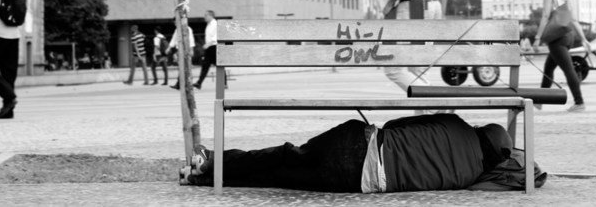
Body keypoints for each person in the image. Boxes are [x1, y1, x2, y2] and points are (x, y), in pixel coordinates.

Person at [181, 113, 546, 193]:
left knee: (283, 155)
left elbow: (399, 124)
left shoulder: (455, 124)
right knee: (277, 177)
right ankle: (203, 178)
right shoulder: (468, 178)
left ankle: (211, 161)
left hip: (357, 142)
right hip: (354, 181)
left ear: (480, 130)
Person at [533, 0, 591, 112]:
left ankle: (579, 102)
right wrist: (583, 39)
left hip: (557, 38)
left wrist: (537, 38)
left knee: (568, 70)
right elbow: (574, 19)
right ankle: (540, 101)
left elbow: (546, 16)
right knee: (548, 68)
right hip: (568, 36)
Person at [194, 10, 221, 90]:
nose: (204, 17)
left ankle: (224, 83)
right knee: (206, 65)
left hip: (214, 47)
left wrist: (208, 44)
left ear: (210, 15)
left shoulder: (215, 24)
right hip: (209, 48)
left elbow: (216, 36)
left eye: (205, 15)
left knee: (219, 65)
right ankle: (199, 83)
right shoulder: (208, 25)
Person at [169, 19, 196, 91]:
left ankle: (185, 84)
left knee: (186, 68)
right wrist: (169, 48)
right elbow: (173, 40)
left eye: (175, 22)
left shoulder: (187, 28)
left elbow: (191, 39)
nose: (175, 24)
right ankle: (179, 84)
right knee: (182, 68)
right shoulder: (177, 30)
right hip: (179, 51)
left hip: (186, 50)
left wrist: (191, 49)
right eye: (174, 22)